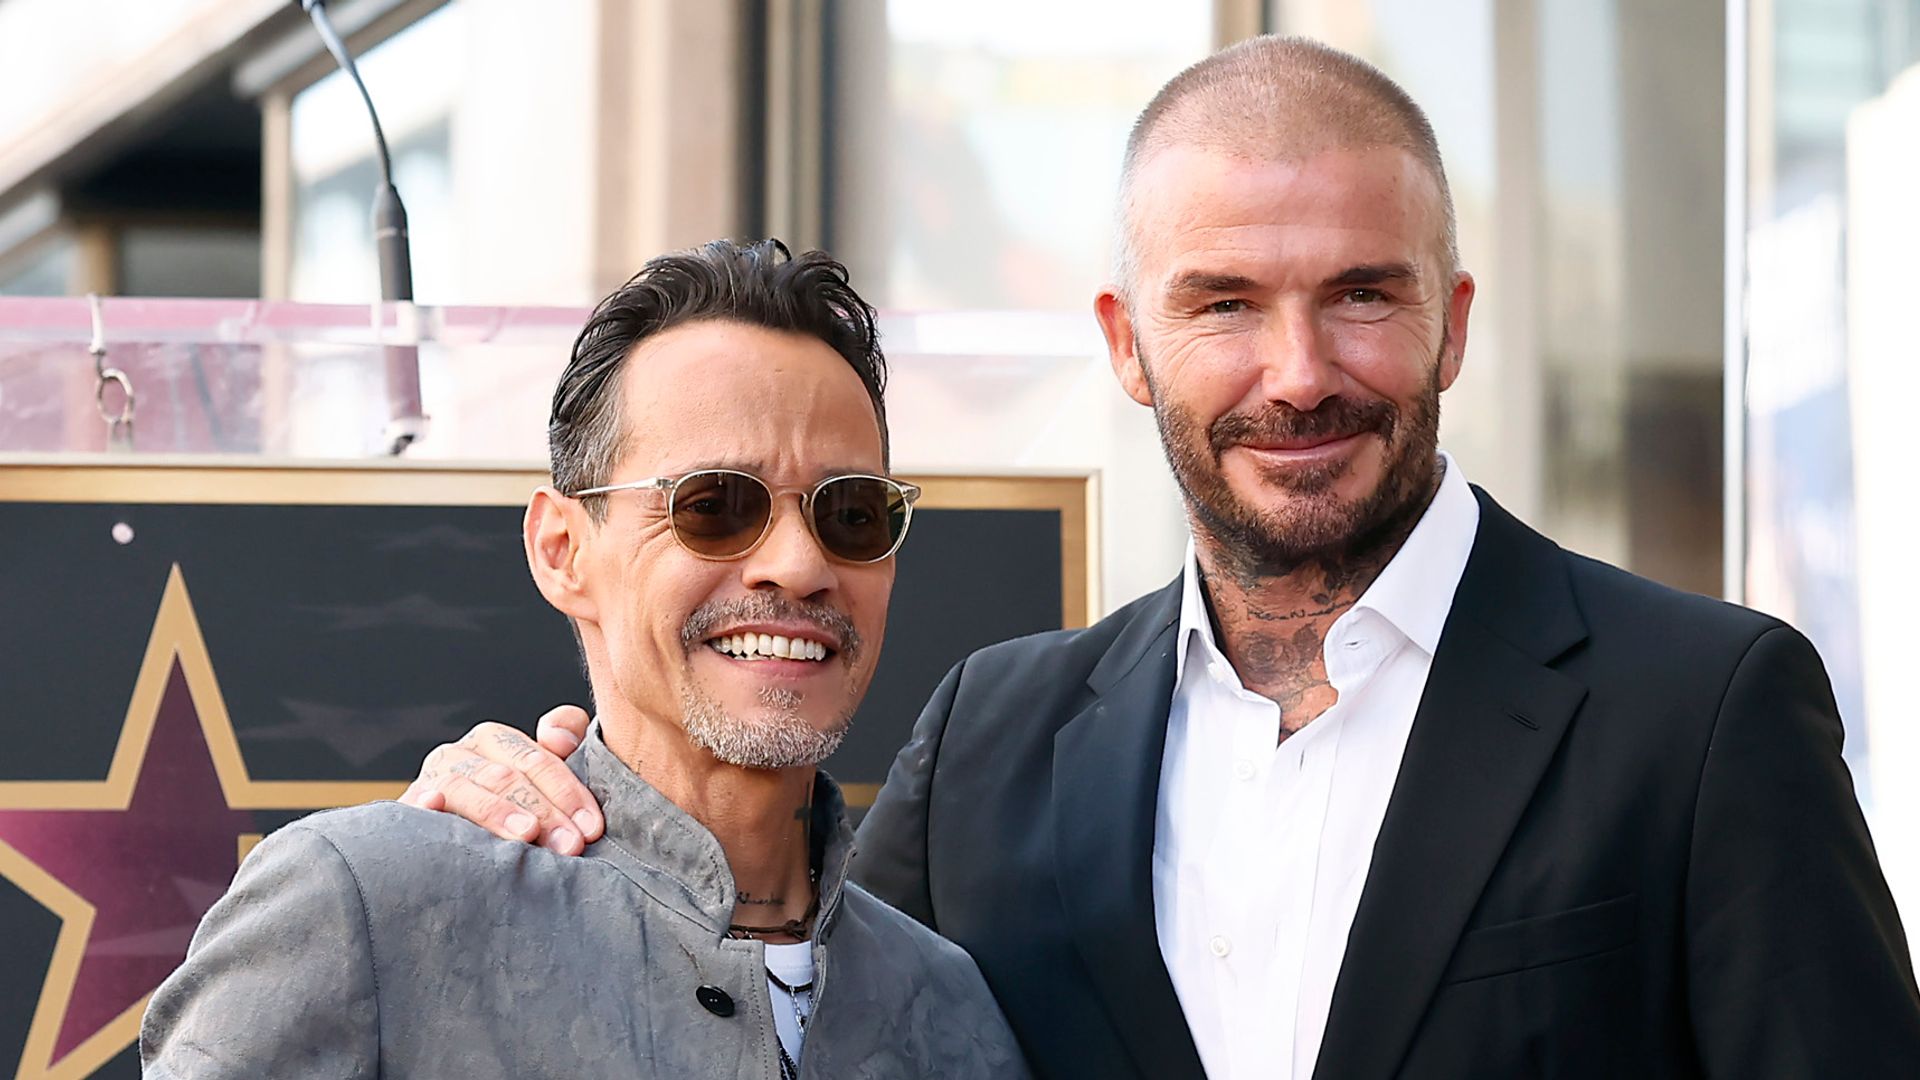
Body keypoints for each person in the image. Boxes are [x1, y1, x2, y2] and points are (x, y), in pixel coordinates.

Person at [400, 36, 1920, 1080]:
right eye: (1226, 306)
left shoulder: (1704, 716)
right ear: (1130, 346)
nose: (1300, 369)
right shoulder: (994, 737)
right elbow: (773, 985)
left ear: (1455, 319)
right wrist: (525, 816)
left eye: (1363, 297)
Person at [140, 240, 1029, 1080]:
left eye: (850, 514)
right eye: (715, 505)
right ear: (562, 550)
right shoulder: (370, 908)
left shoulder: (953, 1009)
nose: (799, 564)